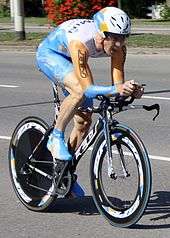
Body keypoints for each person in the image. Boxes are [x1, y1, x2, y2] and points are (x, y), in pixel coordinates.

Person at [36, 6, 144, 197]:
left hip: (71, 59)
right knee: (78, 90)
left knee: (84, 122)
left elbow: (116, 87)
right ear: (102, 34)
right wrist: (116, 89)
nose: (119, 44)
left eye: (123, 37)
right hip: (50, 55)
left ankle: (63, 173)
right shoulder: (81, 42)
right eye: (115, 38)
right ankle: (56, 137)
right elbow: (87, 89)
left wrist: (130, 91)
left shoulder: (119, 48)